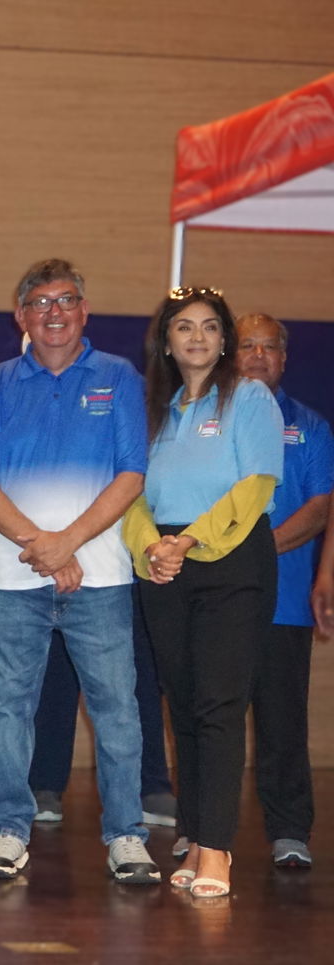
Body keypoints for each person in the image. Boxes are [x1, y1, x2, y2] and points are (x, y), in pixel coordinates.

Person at [0, 258, 159, 884]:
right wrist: (39, 544)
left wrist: (66, 543)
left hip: (98, 578)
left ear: (84, 311)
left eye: (66, 300)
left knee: (117, 710)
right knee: (8, 709)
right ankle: (10, 829)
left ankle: (126, 834)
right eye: (40, 302)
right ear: (21, 315)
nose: (54, 312)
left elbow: (132, 474)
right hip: (12, 578)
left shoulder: (119, 377)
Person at [123, 288, 283, 898]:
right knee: (184, 705)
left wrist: (185, 542)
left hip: (230, 562)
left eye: (210, 327)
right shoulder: (153, 409)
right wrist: (149, 549)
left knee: (219, 707)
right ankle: (194, 833)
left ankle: (217, 849)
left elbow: (253, 490)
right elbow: (131, 490)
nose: (196, 337)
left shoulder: (249, 398)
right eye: (183, 327)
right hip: (162, 565)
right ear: (165, 340)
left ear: (225, 340)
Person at [236, 311, 330, 869]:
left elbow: (321, 507)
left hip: (285, 602)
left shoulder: (311, 427)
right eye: (246, 345)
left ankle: (289, 831)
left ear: (284, 358)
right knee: (209, 719)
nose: (256, 355)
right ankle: (201, 829)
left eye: (268, 346)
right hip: (216, 602)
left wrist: (255, 549)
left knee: (283, 724)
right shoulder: (207, 419)